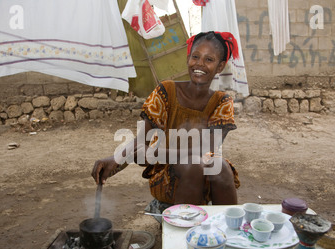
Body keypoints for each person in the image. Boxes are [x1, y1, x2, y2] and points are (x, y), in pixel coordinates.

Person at [92, 31, 240, 215]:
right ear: (188, 58)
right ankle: (183, 235)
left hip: (204, 175)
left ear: (220, 67)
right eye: (195, 56)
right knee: (193, 166)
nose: (200, 64)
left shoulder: (222, 102)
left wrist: (156, 153)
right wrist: (116, 158)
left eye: (209, 59)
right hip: (168, 176)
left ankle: (227, 231)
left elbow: (206, 152)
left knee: (221, 168)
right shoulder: (166, 91)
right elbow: (141, 141)